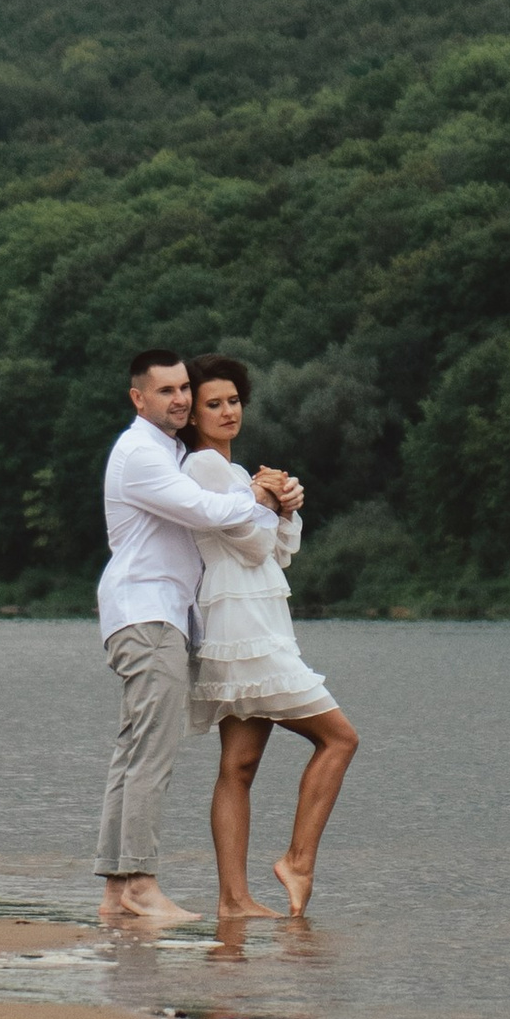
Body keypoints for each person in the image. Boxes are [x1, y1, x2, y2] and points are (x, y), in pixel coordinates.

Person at [94, 344, 286, 930]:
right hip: (147, 614)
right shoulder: (141, 455)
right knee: (151, 751)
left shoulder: (165, 450)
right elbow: (204, 510)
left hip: (150, 613)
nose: (180, 399)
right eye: (166, 391)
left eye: (184, 389)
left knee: (134, 750)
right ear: (138, 398)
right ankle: (142, 886)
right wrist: (256, 496)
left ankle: (117, 893)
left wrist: (273, 503)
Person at [185, 353, 361, 918]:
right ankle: (298, 860)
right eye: (213, 404)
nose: (227, 411)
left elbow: (280, 551)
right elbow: (254, 546)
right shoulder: (205, 471)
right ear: (191, 415)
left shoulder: (236, 476)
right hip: (243, 627)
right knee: (339, 738)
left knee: (238, 766)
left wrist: (282, 504)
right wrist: (269, 499)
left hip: (256, 623)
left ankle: (233, 900)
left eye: (234, 400)